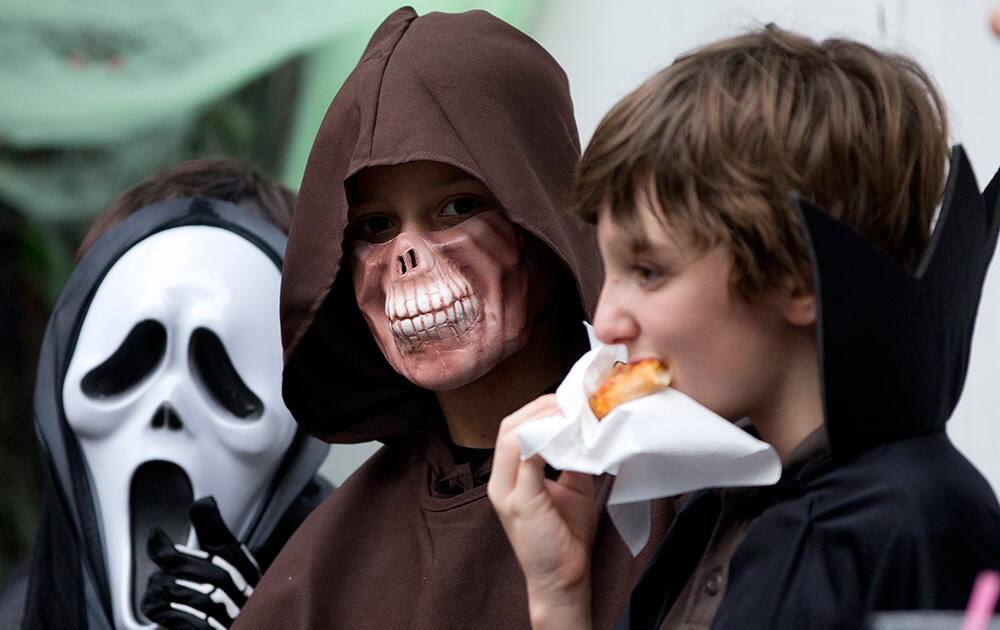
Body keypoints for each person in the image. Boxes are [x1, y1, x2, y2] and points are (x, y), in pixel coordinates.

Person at [489, 25, 1000, 629]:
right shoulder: (718, 507)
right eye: (610, 269)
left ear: (796, 278)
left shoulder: (921, 525)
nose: (606, 321)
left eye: (648, 271)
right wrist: (559, 595)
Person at [234, 7, 674, 630]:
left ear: (541, 211)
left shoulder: (684, 485)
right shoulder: (320, 573)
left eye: (457, 206)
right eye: (374, 226)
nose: (407, 255)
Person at [13, 158, 331, 630]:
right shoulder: (25, 607)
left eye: (226, 381)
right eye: (126, 365)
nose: (168, 406)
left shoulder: (361, 584)